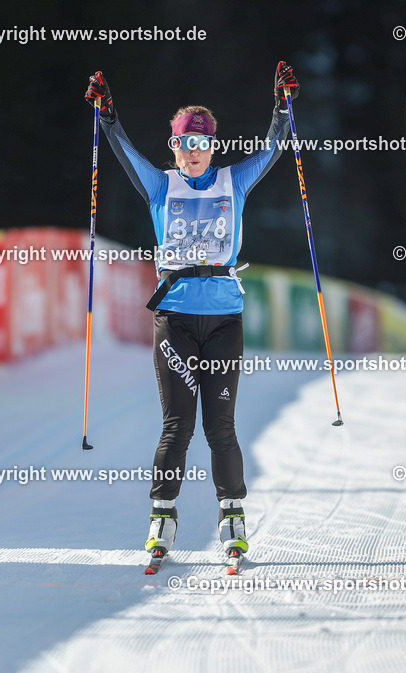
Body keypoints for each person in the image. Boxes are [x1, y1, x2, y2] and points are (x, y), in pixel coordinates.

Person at [84, 62, 298, 566]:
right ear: (174, 146)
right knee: (176, 425)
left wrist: (282, 107)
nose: (193, 152)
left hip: (224, 320)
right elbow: (123, 151)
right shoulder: (161, 187)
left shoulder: (233, 181)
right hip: (175, 320)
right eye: (184, 143)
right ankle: (162, 516)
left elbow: (273, 148)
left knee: (220, 426)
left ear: (213, 145)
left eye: (201, 143)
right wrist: (107, 113)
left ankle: (232, 516)